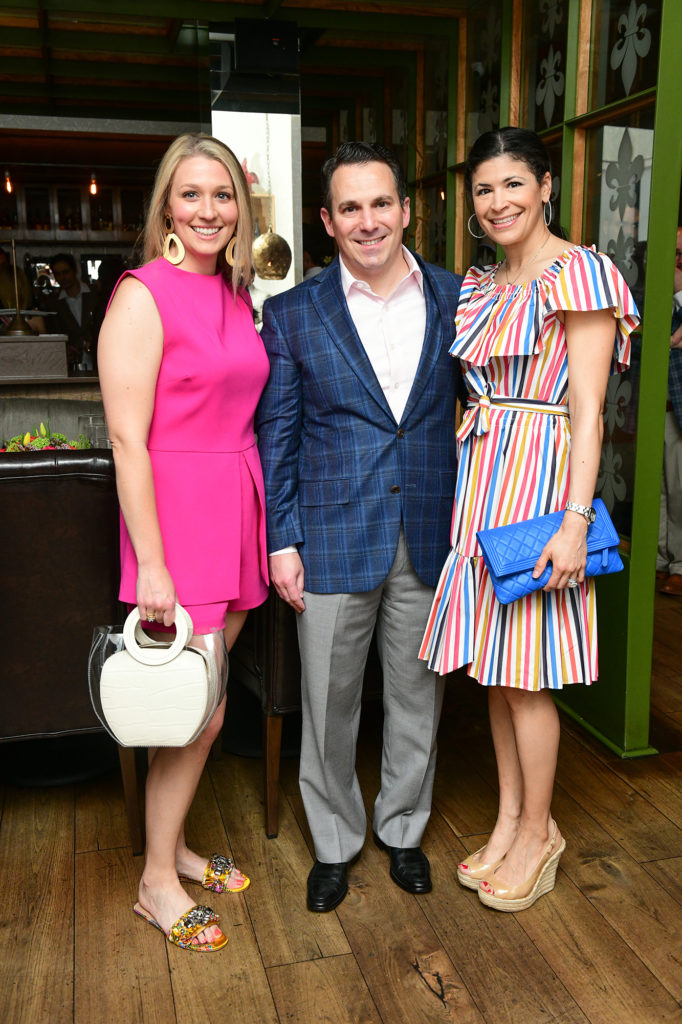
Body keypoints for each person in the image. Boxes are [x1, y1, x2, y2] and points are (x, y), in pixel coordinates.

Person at [420, 128, 639, 912]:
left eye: (514, 183)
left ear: (546, 185)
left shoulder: (582, 272)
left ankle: (541, 830)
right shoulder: (480, 285)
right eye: (484, 189)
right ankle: (510, 818)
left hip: (545, 485)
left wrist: (575, 522)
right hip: (485, 480)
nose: (499, 201)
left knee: (530, 673)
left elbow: (589, 409)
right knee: (495, 669)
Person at [256, 142, 463, 913]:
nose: (369, 221)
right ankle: (336, 843)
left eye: (382, 204)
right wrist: (282, 539)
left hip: (427, 529)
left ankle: (404, 829)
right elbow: (279, 437)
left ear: (407, 209)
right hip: (332, 538)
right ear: (327, 221)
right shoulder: (292, 313)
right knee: (329, 704)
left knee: (417, 697)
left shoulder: (457, 296)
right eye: (350, 208)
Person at [97, 133, 269, 952]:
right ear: (168, 204)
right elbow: (129, 441)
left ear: (241, 207)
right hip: (178, 522)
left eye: (224, 194)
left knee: (208, 702)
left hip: (236, 509)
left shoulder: (237, 293)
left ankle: (176, 849)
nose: (209, 209)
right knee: (191, 713)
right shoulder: (143, 293)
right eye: (192, 194)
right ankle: (155, 883)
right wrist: (153, 562)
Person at [657, 226, 682, 595]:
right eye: (672, 252)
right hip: (648, 408)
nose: (675, 260)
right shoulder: (653, 299)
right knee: (657, 488)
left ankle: (679, 563)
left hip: (679, 409)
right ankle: (660, 559)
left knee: (679, 489)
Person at [50, 252, 97, 370]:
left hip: (99, 360)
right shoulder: (53, 304)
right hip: (72, 366)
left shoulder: (95, 295)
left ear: (75, 270)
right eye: (58, 274)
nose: (62, 278)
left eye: (65, 272)